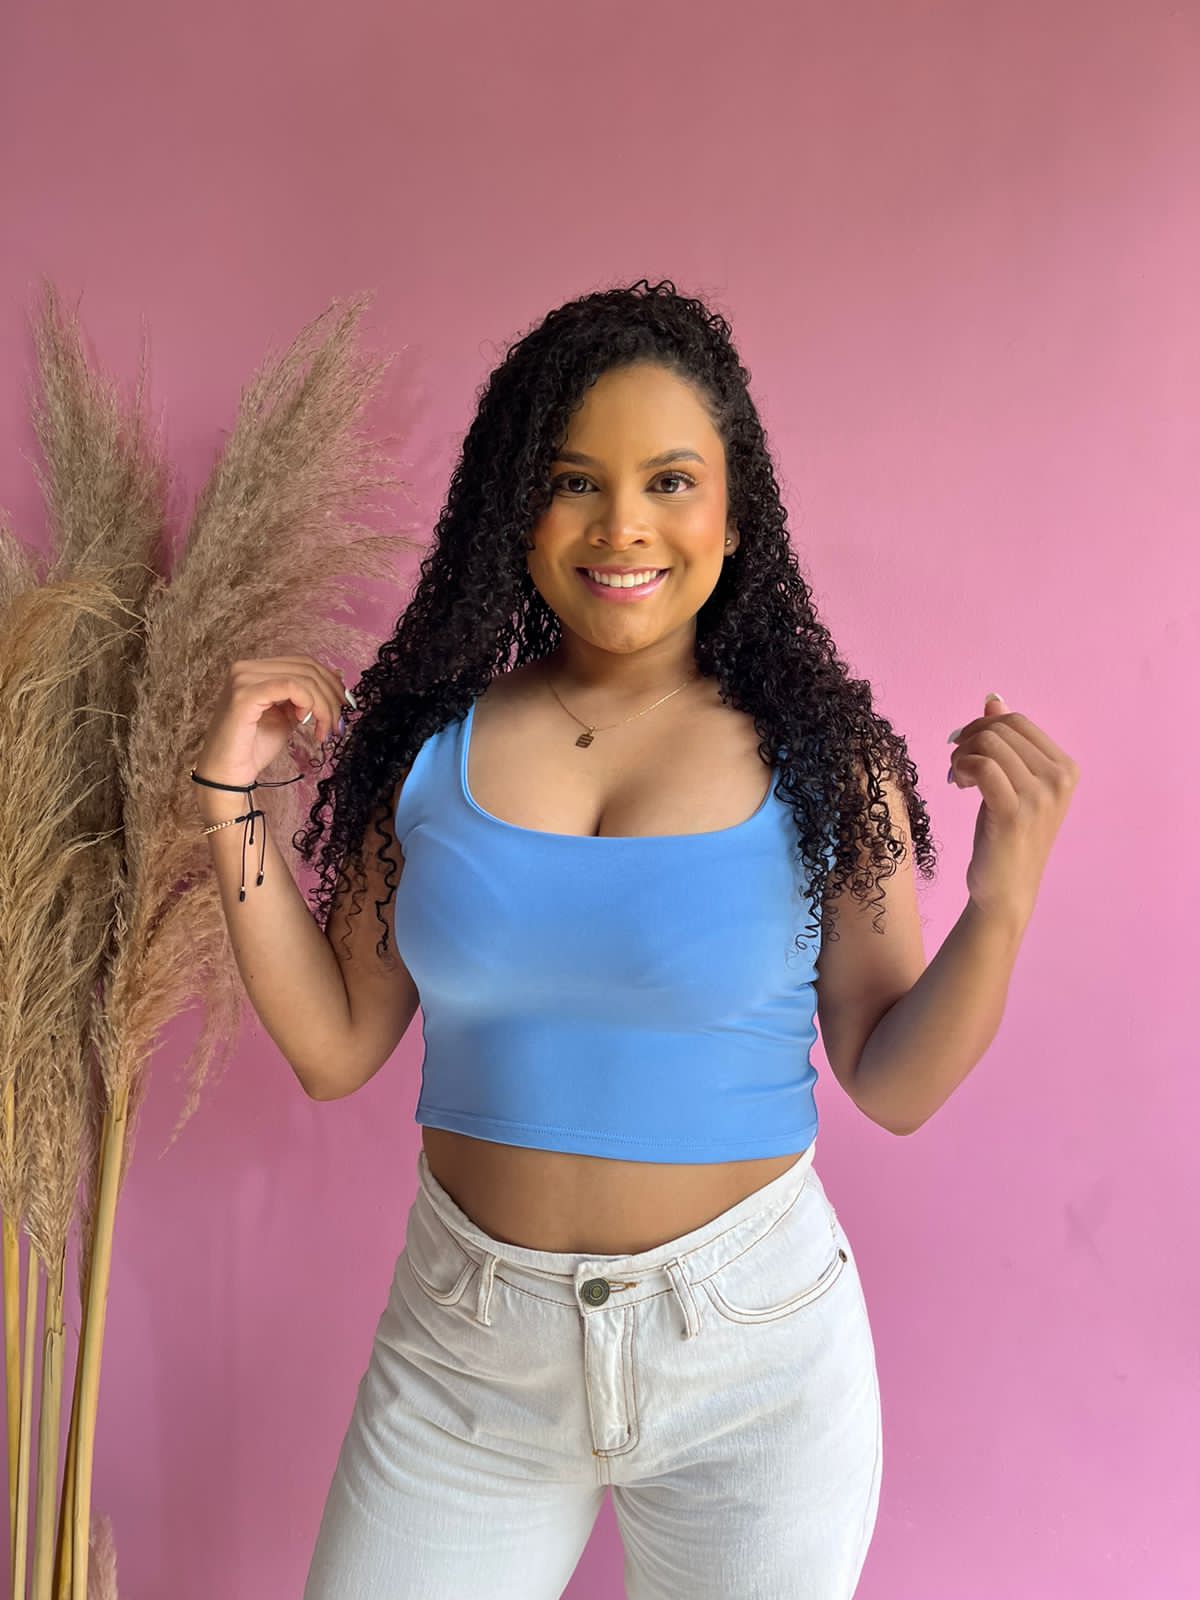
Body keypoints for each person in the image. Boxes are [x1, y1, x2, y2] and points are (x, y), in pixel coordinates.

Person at [193, 279, 937, 1598]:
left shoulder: (829, 765)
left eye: (670, 481)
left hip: (752, 1357)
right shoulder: (425, 750)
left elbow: (892, 1068)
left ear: (735, 511)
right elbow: (334, 1047)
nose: (622, 526)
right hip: (466, 1355)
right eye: (574, 481)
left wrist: (1008, 903)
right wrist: (232, 806)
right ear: (514, 509)